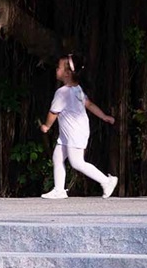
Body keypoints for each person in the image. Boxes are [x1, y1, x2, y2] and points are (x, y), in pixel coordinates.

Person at [41, 55, 119, 199]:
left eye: (59, 67)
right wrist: (104, 116)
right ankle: (59, 189)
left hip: (75, 132)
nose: (56, 69)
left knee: (77, 162)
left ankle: (107, 181)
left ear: (67, 73)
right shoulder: (77, 89)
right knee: (57, 157)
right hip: (71, 132)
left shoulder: (62, 92)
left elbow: (53, 113)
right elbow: (88, 104)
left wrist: (46, 126)